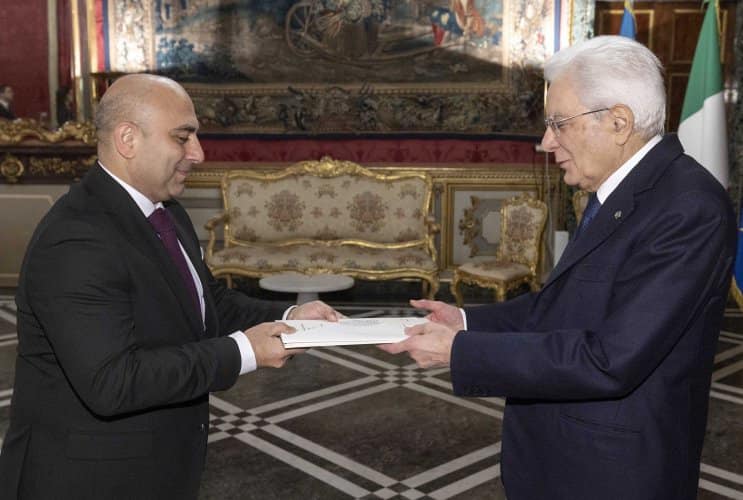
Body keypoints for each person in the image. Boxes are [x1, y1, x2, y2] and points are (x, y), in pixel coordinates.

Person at [381, 35, 736, 500]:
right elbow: (562, 308)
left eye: (559, 124)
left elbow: (611, 360)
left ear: (618, 122)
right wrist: (465, 320)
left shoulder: (687, 207)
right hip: (566, 460)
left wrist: (461, 352)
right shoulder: (620, 194)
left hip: (615, 476)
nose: (545, 142)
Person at [0, 74, 341, 499]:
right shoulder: (78, 239)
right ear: (128, 139)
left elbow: (205, 301)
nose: (198, 153)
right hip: (90, 478)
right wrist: (246, 351)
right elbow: (114, 382)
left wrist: (290, 316)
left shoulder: (164, 211)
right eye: (183, 138)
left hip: (156, 464)